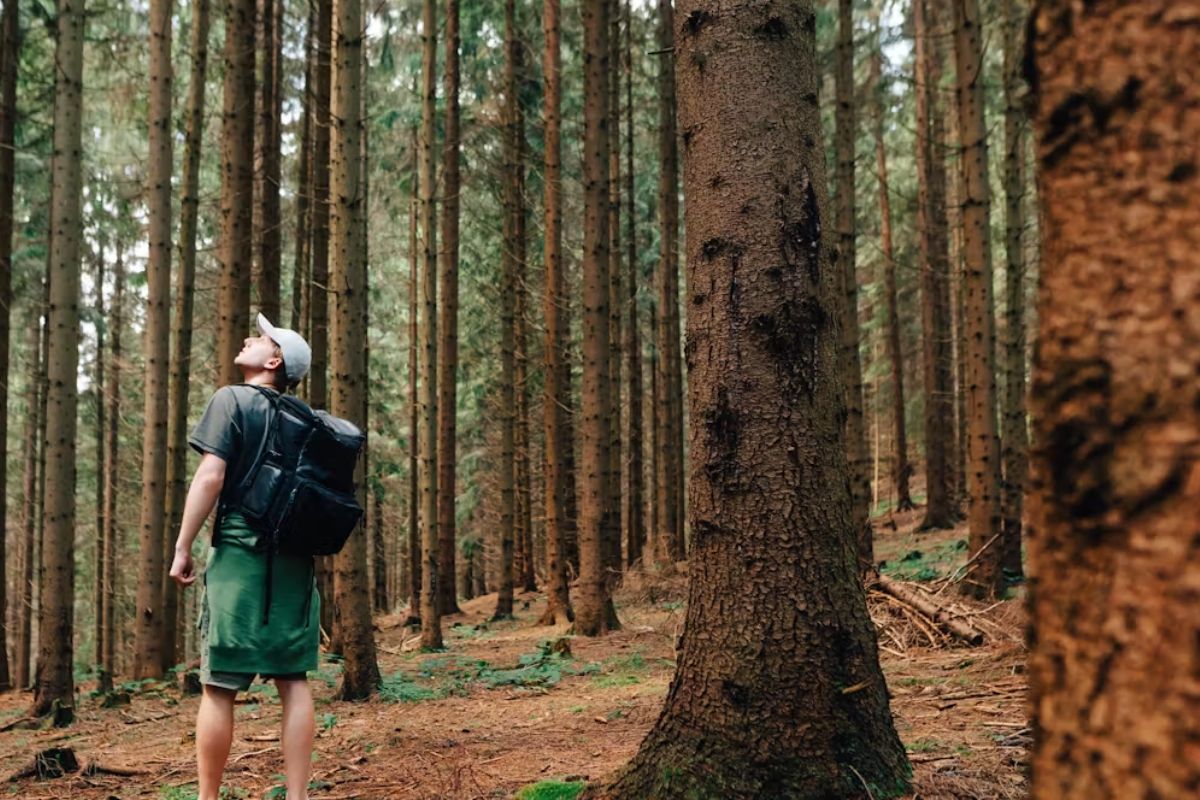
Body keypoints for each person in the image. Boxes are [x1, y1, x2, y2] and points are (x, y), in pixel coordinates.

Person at [170, 313, 318, 800]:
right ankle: (297, 796)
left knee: (219, 686)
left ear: (274, 360)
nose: (248, 340)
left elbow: (211, 476)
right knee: (293, 681)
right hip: (296, 564)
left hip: (239, 553)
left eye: (259, 339)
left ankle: (207, 798)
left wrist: (182, 544)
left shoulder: (231, 399)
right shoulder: (306, 419)